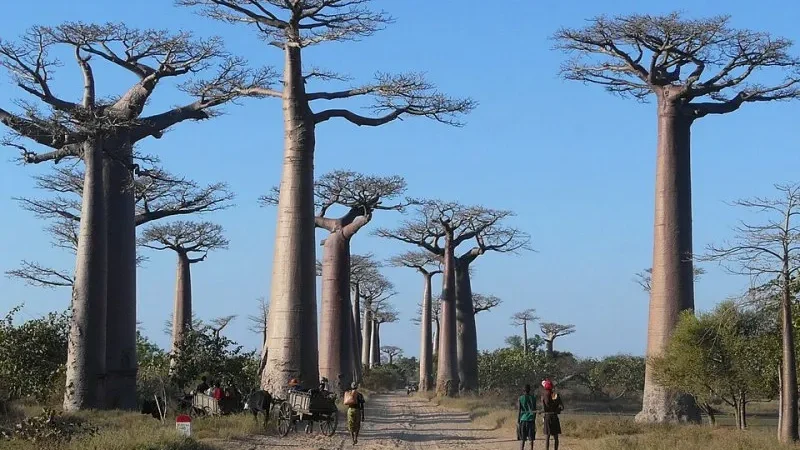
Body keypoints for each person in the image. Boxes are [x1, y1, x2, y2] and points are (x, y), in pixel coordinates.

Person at [541, 379, 564, 450]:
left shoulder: (544, 396)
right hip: (554, 416)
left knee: (547, 436)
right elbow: (562, 407)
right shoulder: (554, 395)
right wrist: (557, 410)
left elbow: (544, 409)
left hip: (547, 416)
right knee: (556, 436)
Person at [517, 384, 537, 450]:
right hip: (531, 420)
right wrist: (534, 419)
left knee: (522, 438)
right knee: (531, 438)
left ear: (523, 390)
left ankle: (521, 448)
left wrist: (518, 420)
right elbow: (534, 410)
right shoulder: (533, 398)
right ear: (529, 390)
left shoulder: (520, 398)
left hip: (523, 419)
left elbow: (519, 410)